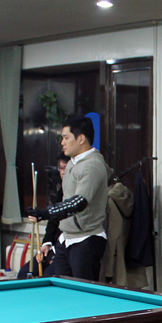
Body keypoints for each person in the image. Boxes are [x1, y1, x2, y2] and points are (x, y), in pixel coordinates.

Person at [25, 115, 108, 280]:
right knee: (62, 289)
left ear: (81, 139)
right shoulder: (71, 163)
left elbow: (78, 202)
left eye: (66, 137)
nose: (62, 142)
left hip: (86, 239)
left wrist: (46, 213)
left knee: (82, 292)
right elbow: (64, 200)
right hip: (66, 239)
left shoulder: (93, 165)